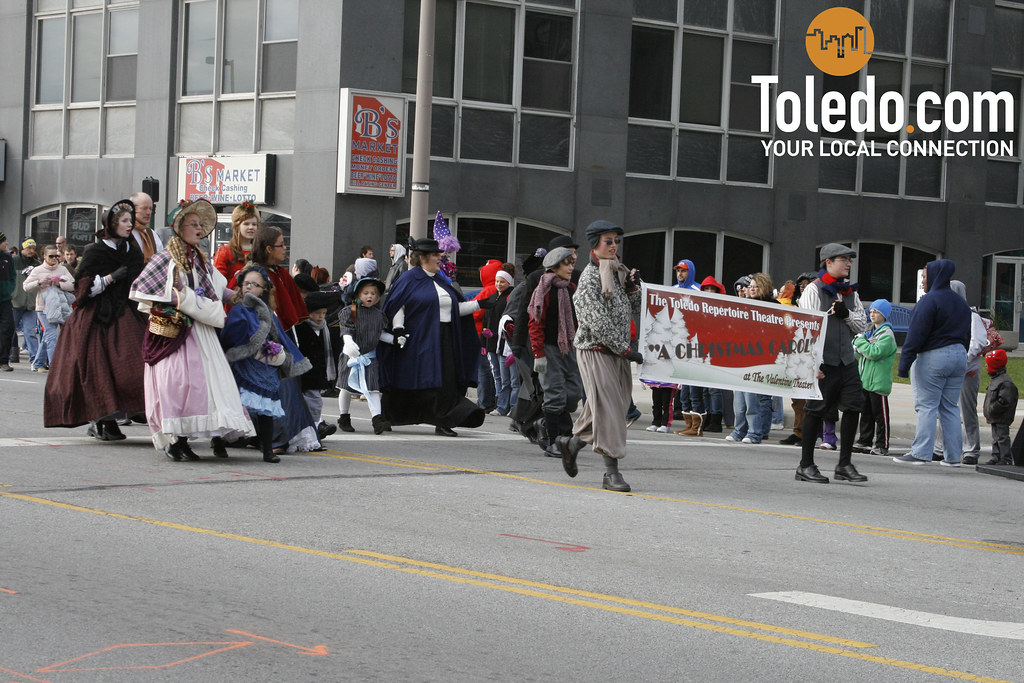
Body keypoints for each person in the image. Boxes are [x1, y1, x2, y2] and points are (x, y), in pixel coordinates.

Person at [129, 198, 254, 460]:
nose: (199, 229)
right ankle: (174, 439)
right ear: (179, 228)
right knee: (177, 384)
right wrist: (178, 298)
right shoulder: (166, 258)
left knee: (202, 385)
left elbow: (217, 287)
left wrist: (239, 295)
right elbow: (146, 288)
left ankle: (185, 439)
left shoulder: (200, 258)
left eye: (200, 224)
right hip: (176, 332)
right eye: (193, 224)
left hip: (200, 331)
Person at [44, 200, 148, 440]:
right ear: (111, 224)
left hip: (128, 312)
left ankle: (127, 412)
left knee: (135, 366)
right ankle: (102, 421)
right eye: (124, 221)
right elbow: (82, 289)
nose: (129, 224)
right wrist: (110, 278)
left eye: (130, 221)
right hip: (97, 317)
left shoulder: (132, 249)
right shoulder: (96, 251)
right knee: (97, 370)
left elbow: (141, 279)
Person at [556, 220, 642, 492]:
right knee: (611, 412)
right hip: (596, 351)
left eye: (616, 240)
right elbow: (596, 322)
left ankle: (571, 444)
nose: (614, 245)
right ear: (595, 244)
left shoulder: (617, 272)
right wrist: (626, 349)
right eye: (608, 241)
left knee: (599, 412)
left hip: (616, 353)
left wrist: (633, 289)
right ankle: (611, 473)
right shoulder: (591, 278)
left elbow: (632, 308)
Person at [380, 237, 490, 436]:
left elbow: (453, 309)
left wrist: (479, 304)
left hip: (445, 337)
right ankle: (389, 415)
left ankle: (444, 419)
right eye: (434, 254)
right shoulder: (408, 279)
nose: (440, 257)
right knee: (409, 377)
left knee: (446, 379)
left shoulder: (441, 280)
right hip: (417, 338)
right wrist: (398, 329)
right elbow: (398, 305)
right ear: (421, 257)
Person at [234, 225, 319, 453]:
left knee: (288, 385)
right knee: (270, 386)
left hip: (281, 334)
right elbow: (244, 302)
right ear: (269, 248)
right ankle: (273, 437)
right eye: (281, 244)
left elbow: (292, 307)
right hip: (262, 336)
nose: (285, 248)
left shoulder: (280, 273)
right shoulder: (255, 273)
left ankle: (290, 434)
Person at [795, 243, 870, 483]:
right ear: (828, 262)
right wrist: (811, 364)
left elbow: (862, 325)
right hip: (823, 363)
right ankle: (805, 465)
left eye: (849, 260)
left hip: (846, 361)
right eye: (843, 259)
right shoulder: (814, 291)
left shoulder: (851, 293)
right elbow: (806, 329)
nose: (848, 264)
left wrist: (845, 315)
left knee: (853, 407)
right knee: (814, 411)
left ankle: (844, 464)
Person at [221, 265, 310, 463]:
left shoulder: (269, 312)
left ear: (264, 289)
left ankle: (268, 449)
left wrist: (280, 352)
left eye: (255, 284)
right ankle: (220, 441)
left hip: (265, 365)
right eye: (246, 284)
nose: (249, 288)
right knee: (236, 406)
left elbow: (280, 336)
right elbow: (230, 335)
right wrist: (248, 344)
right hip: (244, 364)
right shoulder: (239, 310)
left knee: (266, 409)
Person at [893, 259, 971, 467]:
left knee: (927, 405)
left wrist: (904, 364)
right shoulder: (961, 303)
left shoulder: (929, 301)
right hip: (959, 354)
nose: (923, 282)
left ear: (935, 276)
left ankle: (921, 453)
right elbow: (967, 334)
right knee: (950, 407)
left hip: (934, 356)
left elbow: (916, 335)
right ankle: (953, 457)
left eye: (925, 277)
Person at [529, 247, 582, 456]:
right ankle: (552, 442)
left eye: (572, 263)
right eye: (567, 264)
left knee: (573, 395)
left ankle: (543, 421)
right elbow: (535, 323)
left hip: (569, 347)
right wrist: (538, 353)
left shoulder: (571, 288)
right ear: (555, 266)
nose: (571, 267)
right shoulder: (544, 290)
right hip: (549, 349)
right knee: (555, 396)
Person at [337, 277, 399, 435]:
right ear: (358, 295)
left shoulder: (379, 315)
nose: (369, 296)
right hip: (351, 356)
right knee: (346, 387)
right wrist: (348, 342)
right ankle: (344, 417)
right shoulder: (350, 312)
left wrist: (395, 339)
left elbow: (380, 335)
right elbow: (346, 330)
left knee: (373, 388)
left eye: (373, 293)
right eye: (365, 293)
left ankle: (377, 420)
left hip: (370, 357)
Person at [937, 280, 989, 465]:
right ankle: (942, 446)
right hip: (949, 369)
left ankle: (971, 449)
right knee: (944, 408)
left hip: (967, 372)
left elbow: (978, 343)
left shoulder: (971, 315)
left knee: (967, 410)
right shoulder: (946, 314)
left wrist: (961, 360)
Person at [724, 272, 775, 444]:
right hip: (741, 356)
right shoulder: (742, 305)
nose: (752, 289)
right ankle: (739, 430)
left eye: (756, 286)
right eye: (750, 286)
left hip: (760, 358)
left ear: (764, 287)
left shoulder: (772, 306)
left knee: (753, 399)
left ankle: (754, 432)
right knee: (740, 401)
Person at [852, 299, 897, 456]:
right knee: (866, 414)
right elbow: (857, 349)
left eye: (876, 312)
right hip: (865, 381)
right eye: (870, 311)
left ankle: (882, 444)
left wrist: (860, 342)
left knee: (881, 416)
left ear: (884, 315)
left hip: (878, 382)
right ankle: (865, 440)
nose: (872, 314)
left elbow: (874, 353)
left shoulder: (887, 335)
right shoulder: (870, 332)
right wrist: (862, 344)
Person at [22, 244, 75, 372]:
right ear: (44, 256)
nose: (54, 259)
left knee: (48, 335)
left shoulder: (62, 269)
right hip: (44, 308)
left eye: (56, 256)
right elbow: (26, 286)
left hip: (60, 307)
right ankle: (54, 367)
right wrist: (39, 283)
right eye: (51, 256)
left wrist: (60, 283)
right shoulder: (38, 270)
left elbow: (73, 285)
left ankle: (38, 363)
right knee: (51, 335)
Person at [294, 291, 338, 441]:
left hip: (318, 372)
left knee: (313, 402)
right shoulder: (300, 328)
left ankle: (314, 426)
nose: (320, 317)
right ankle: (315, 426)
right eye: (317, 313)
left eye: (324, 313)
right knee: (313, 402)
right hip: (304, 373)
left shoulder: (325, 329)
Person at [485, 264, 519, 416]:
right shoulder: (493, 297)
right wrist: (484, 340)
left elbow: (512, 322)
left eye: (502, 282)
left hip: (508, 345)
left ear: (509, 282)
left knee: (513, 380)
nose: (499, 284)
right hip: (495, 344)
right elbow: (488, 320)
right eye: (497, 281)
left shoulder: (510, 298)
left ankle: (513, 407)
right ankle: (502, 406)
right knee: (501, 378)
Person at [983, 349, 1019, 465]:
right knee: (996, 437)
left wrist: (993, 409)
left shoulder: (1005, 383)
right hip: (995, 416)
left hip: (1001, 416)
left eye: (987, 365)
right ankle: (996, 456)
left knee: (1002, 437)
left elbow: (1005, 401)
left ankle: (1005, 458)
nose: (985, 367)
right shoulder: (996, 380)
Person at [11, 239, 41, 366]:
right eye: (28, 248)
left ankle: (34, 358)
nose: (31, 250)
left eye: (33, 248)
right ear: (22, 248)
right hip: (15, 302)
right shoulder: (14, 261)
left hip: (31, 303)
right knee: (10, 330)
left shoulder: (37, 264)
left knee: (30, 332)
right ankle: (8, 354)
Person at [213, 201, 260, 283]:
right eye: (246, 224)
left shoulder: (260, 251)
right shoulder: (225, 251)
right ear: (237, 226)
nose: (251, 227)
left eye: (254, 224)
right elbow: (218, 283)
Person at [129, 191, 164, 263]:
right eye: (144, 208)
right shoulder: (125, 233)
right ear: (133, 209)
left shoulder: (152, 234)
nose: (148, 213)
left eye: (150, 208)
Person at [0, 233, 15, 371]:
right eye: (4, 241)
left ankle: (4, 360)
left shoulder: (7, 258)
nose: (6, 243)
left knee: (8, 328)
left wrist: (10, 288)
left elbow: (13, 276)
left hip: (5, 300)